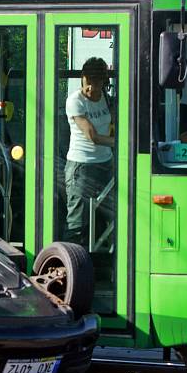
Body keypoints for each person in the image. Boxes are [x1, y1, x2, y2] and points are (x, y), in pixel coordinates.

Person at [64, 57, 114, 245]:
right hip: (81, 166)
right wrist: (119, 143)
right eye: (87, 84)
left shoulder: (107, 99)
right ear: (82, 79)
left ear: (104, 82)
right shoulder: (75, 101)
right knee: (78, 221)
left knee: (103, 219)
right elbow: (92, 136)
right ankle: (69, 260)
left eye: (96, 84)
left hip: (105, 163)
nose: (90, 89)